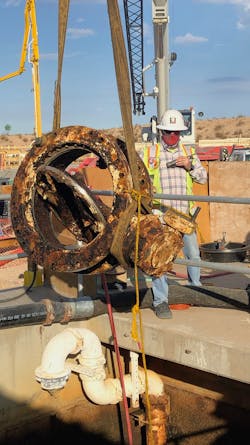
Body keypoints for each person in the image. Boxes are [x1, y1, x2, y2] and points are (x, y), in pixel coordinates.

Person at [149, 109, 207, 319]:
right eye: (168, 133)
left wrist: (190, 166)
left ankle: (195, 290)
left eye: (176, 133)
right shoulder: (151, 153)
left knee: (193, 255)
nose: (172, 137)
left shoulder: (188, 152)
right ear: (161, 131)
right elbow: (140, 181)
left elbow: (202, 178)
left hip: (185, 215)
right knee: (161, 258)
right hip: (163, 216)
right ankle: (161, 301)